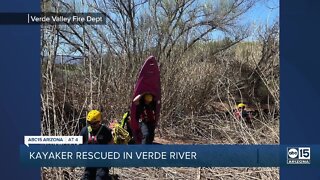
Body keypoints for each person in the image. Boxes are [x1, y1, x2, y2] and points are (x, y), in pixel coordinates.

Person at [80, 110, 113, 180]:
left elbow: (111, 143)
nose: (92, 125)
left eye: (94, 123)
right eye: (90, 123)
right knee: (87, 177)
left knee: (100, 177)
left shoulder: (105, 130)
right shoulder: (84, 130)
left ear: (99, 121)